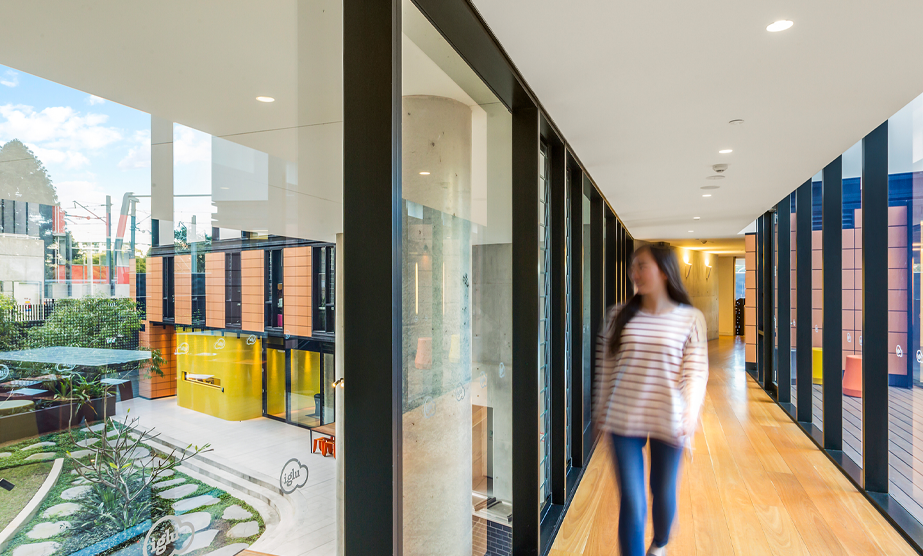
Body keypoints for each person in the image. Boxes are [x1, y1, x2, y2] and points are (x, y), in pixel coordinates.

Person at [593, 243, 709, 556]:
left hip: (669, 418)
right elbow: (606, 368)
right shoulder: (618, 315)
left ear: (664, 272)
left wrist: (691, 412)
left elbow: (696, 373)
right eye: (633, 266)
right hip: (623, 418)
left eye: (642, 265)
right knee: (633, 501)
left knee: (663, 491)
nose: (634, 272)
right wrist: (600, 410)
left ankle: (659, 544)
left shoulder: (691, 319)